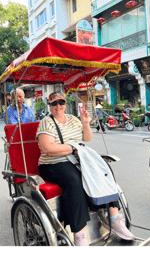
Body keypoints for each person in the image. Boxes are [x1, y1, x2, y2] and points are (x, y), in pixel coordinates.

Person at [36, 92, 134, 246]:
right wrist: (74, 148)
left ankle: (113, 219)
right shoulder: (46, 123)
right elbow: (48, 148)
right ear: (49, 105)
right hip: (52, 163)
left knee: (103, 170)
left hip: (76, 159)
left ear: (65, 103)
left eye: (61, 102)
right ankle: (79, 234)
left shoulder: (74, 120)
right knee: (75, 181)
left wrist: (85, 123)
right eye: (54, 103)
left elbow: (87, 138)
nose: (58, 106)